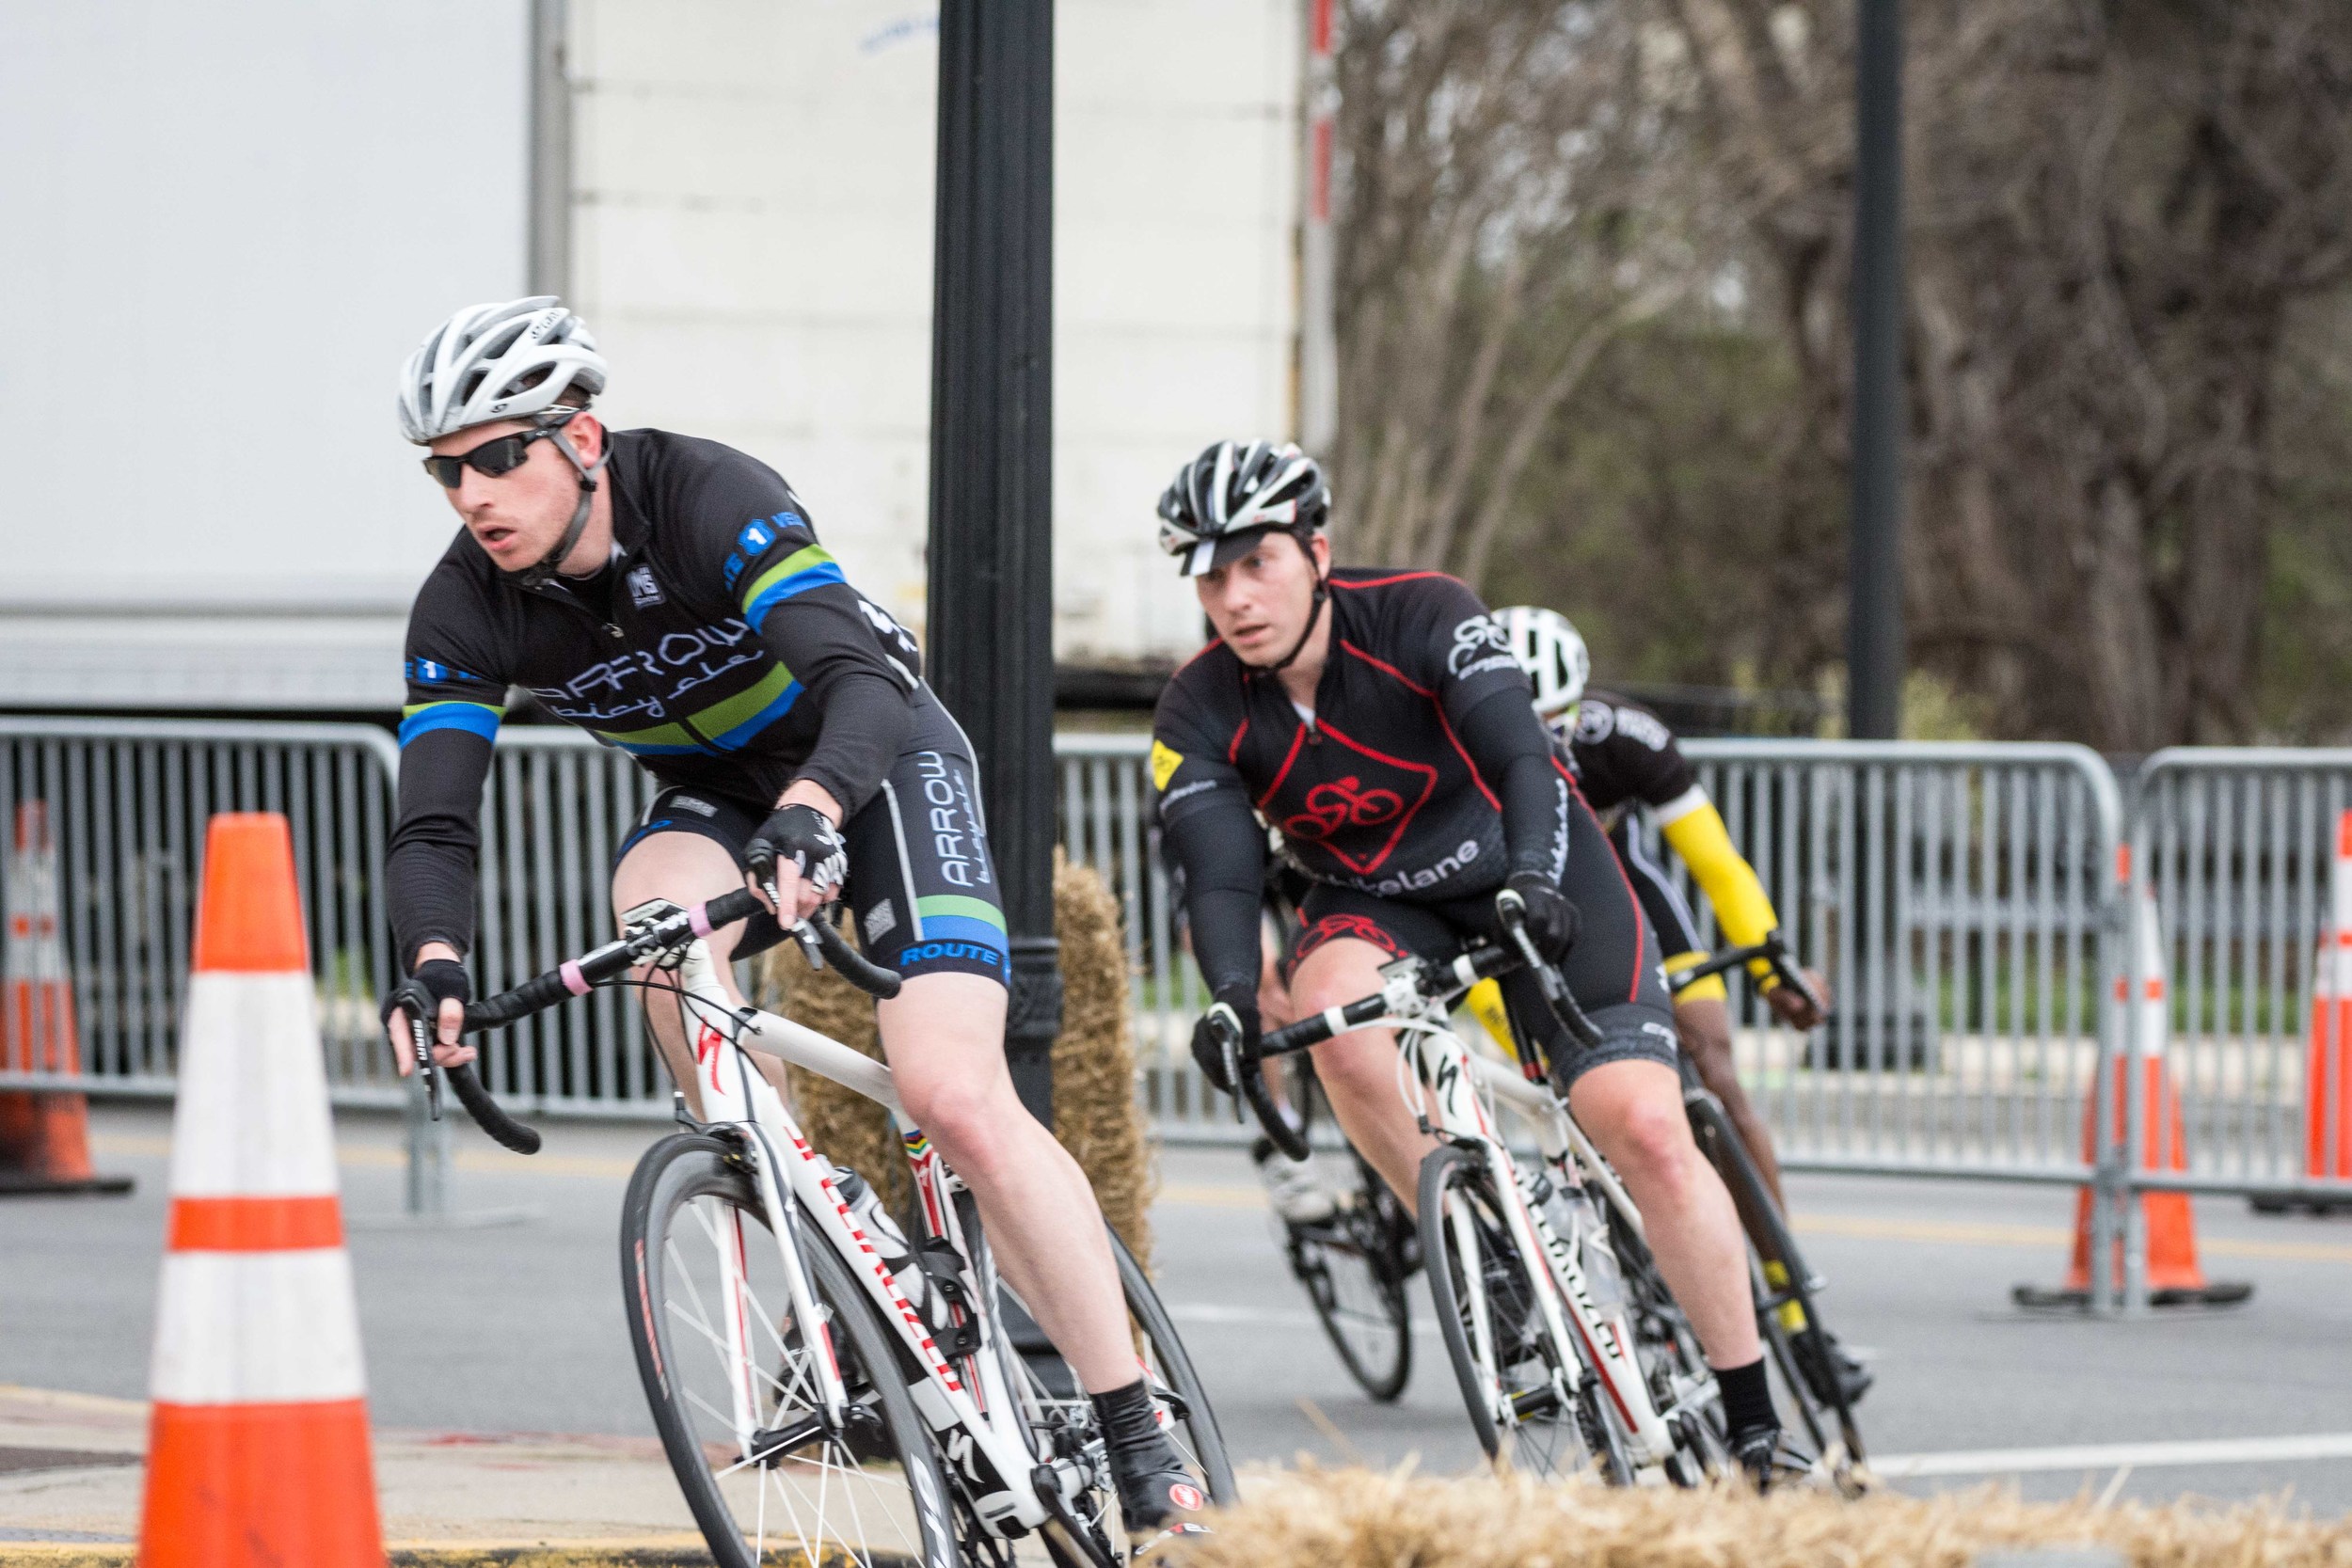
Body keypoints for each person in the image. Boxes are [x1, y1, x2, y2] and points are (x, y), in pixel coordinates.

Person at [376, 296, 1204, 1545]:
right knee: (653, 932)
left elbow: (857, 678)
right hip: (719, 797)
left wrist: (816, 807)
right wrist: (431, 962)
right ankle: (794, 1192)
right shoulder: (465, 608)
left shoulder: (705, 494)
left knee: (953, 1090)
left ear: (581, 437)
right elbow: (436, 818)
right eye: (446, 470)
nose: (473, 493)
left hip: (877, 757)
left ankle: (1140, 1433)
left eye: (500, 455)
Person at [1150, 438, 1789, 1479]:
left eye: (1254, 560)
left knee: (1644, 1127)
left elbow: (1520, 757)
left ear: (1317, 548)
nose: (1233, 596)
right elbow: (1217, 878)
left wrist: (1535, 876)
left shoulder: (1422, 610)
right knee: (1334, 1021)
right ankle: (1479, 1252)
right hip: (1378, 901)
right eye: (1209, 575)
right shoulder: (1200, 704)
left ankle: (1753, 1410)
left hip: (1528, 861)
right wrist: (1229, 1000)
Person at [1493, 605, 1870, 1406]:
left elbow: (1718, 863)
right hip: (1522, 938)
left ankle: (1794, 1304)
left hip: (1637, 914)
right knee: (1576, 1098)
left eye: (1555, 726)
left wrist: (1774, 967)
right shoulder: (1456, 752)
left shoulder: (1621, 735)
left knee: (1717, 1074)